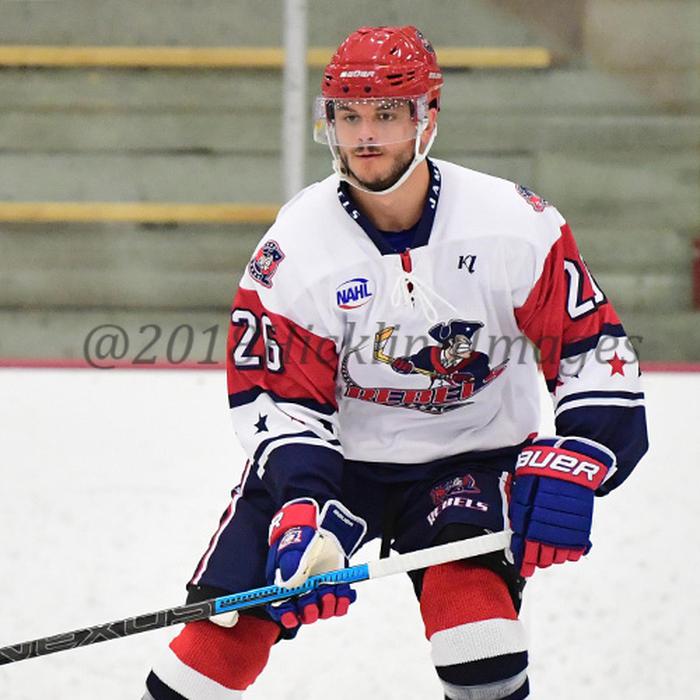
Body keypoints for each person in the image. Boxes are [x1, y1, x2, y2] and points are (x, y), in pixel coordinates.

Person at [143, 25, 648, 699]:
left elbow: (593, 349)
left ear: (426, 117)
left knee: (478, 636)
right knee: (217, 645)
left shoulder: (512, 222)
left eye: (385, 114)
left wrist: (583, 455)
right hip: (336, 465)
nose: (365, 135)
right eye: (348, 116)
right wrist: (302, 504)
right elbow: (280, 398)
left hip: (469, 456)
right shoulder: (296, 246)